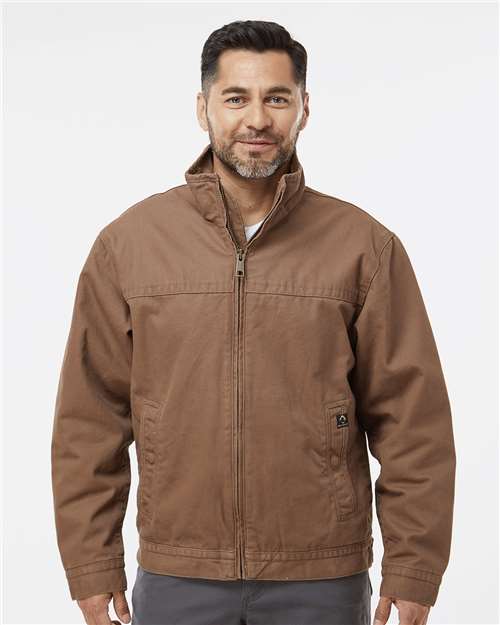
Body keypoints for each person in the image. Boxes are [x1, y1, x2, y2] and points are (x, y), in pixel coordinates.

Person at [51, 19, 456, 625]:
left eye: (278, 98)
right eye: (236, 98)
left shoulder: (363, 248)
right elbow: (90, 419)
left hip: (321, 577)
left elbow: (412, 419)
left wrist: (414, 565)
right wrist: (91, 563)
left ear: (304, 109)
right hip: (178, 572)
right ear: (203, 108)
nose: (258, 119)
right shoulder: (130, 245)